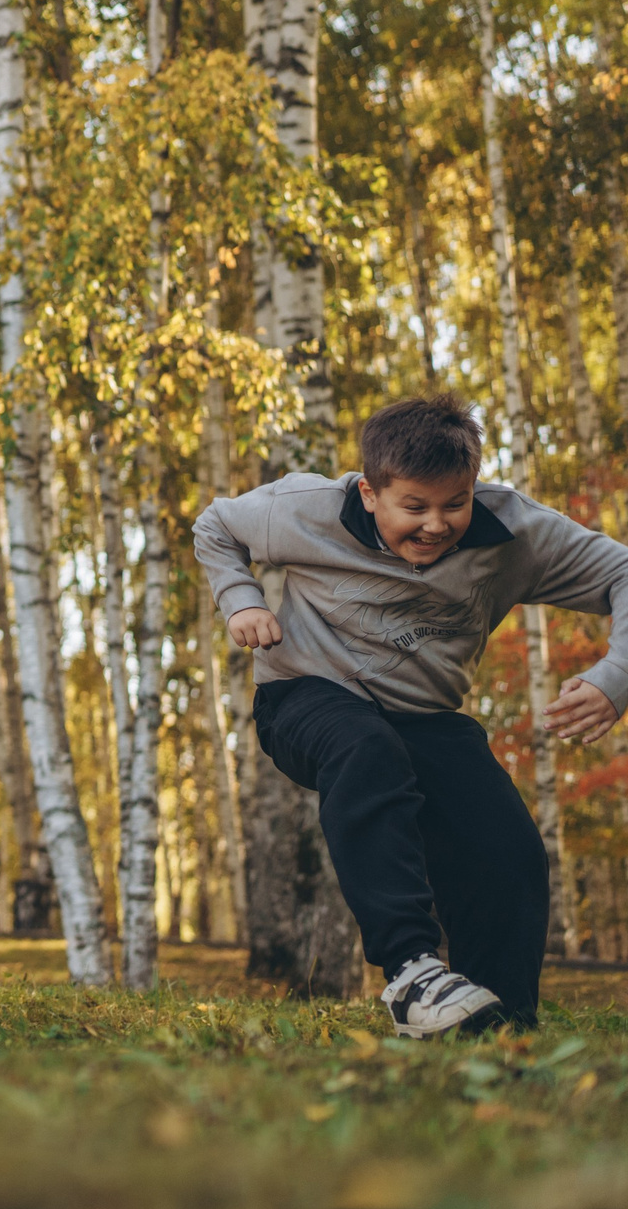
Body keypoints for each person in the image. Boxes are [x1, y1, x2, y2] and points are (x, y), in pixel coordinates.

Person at [193, 394, 628, 1038]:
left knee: (506, 847)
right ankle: (412, 973)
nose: (435, 525)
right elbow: (215, 525)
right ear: (370, 493)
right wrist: (240, 600)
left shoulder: (517, 532)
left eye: (455, 504)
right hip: (305, 698)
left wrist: (615, 677)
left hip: (424, 717)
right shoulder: (302, 510)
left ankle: (496, 1021)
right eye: (415, 507)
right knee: (366, 748)